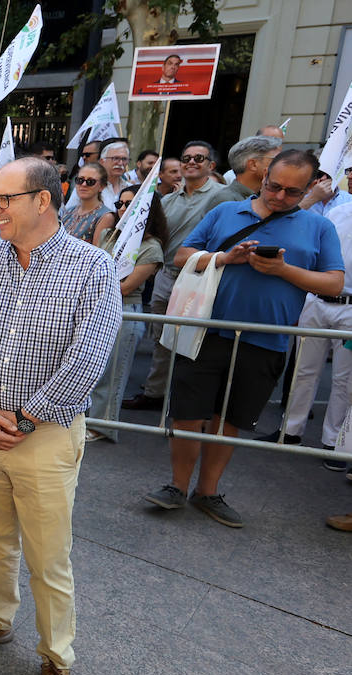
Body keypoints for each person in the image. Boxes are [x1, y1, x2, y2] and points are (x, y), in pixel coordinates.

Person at [0, 157, 122, 675]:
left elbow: (88, 359)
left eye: (3, 200)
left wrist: (22, 418)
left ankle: (56, 660)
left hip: (44, 435)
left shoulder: (93, 268)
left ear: (42, 201)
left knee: (50, 558)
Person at [144, 150, 343, 527]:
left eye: (292, 192)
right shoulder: (225, 211)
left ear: (309, 189)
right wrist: (222, 258)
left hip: (266, 340)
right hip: (206, 330)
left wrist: (284, 270)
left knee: (230, 419)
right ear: (265, 175)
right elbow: (182, 255)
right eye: (274, 186)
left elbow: (334, 281)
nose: (280, 197)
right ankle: (176, 486)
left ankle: (208, 491)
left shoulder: (318, 227)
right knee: (187, 414)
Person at [124, 140, 241, 410]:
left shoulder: (222, 197)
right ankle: (155, 393)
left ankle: (185, 396)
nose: (191, 162)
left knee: (194, 339)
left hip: (201, 277)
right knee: (161, 337)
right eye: (186, 157)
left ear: (211, 166)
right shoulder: (168, 199)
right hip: (167, 275)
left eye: (199, 158)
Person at [87, 185, 166, 442]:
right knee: (92, 369)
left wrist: (92, 282)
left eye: (129, 204)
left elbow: (126, 287)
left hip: (125, 312)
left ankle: (102, 426)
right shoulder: (109, 234)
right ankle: (87, 419)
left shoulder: (151, 246)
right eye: (120, 204)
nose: (122, 209)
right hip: (95, 307)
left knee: (113, 372)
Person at [278, 200, 352, 467]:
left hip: (350, 309)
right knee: (303, 370)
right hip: (317, 302)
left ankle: (333, 442)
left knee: (345, 379)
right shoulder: (337, 212)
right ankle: (290, 431)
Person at [59, 163, 115, 245]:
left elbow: (98, 253)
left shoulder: (105, 217)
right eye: (80, 180)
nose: (84, 185)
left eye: (90, 181)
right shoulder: (68, 211)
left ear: (101, 186)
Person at [225, 135, 282, 200]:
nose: (281, 165)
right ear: (253, 165)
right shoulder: (226, 198)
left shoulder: (262, 197)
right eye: (276, 159)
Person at [98, 140, 130, 209]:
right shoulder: (88, 185)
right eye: (115, 158)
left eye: (124, 159)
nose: (120, 163)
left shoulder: (130, 188)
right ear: (102, 161)